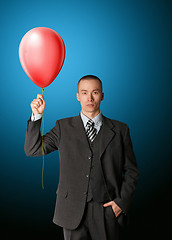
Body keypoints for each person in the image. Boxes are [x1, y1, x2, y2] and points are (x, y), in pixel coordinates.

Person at [24, 75, 139, 240]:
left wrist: (121, 203)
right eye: (84, 93)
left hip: (106, 210)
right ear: (78, 96)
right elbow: (32, 149)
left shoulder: (121, 130)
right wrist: (36, 116)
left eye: (95, 92)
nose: (90, 98)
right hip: (71, 212)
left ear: (102, 95)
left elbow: (132, 171)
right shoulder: (62, 127)